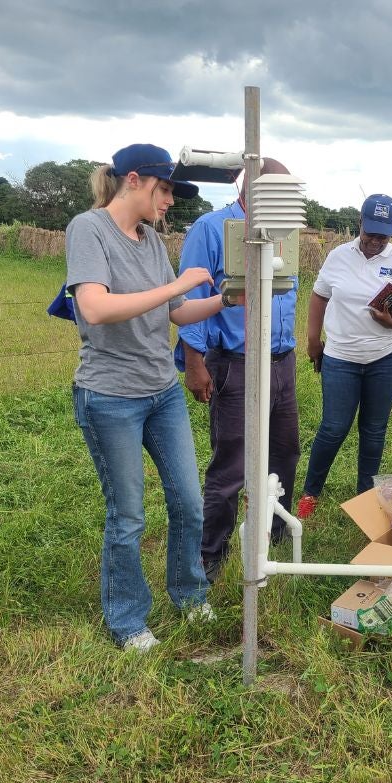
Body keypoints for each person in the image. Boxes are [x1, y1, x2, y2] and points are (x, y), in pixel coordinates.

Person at [66, 144, 236, 652]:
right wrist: (177, 286)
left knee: (188, 503)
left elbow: (178, 313)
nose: (170, 202)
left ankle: (188, 594)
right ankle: (128, 621)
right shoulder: (88, 229)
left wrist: (227, 299)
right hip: (110, 396)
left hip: (161, 392)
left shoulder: (152, 243)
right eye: (165, 190)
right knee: (129, 515)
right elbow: (94, 308)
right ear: (133, 180)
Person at [175, 158, 300, 583]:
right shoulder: (213, 229)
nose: (284, 201)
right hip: (237, 363)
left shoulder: (284, 233)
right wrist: (194, 362)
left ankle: (275, 536)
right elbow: (191, 297)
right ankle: (211, 557)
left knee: (284, 453)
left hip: (282, 361)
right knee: (232, 463)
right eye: (276, 193)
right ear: (253, 189)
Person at [297, 194, 392, 517]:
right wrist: (314, 340)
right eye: (370, 233)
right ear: (360, 224)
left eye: (382, 235)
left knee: (373, 430)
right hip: (341, 358)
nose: (375, 241)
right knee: (334, 427)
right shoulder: (338, 256)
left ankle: (364, 501)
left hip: (386, 359)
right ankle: (310, 495)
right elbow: (318, 298)